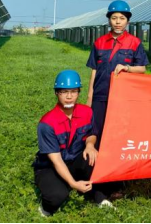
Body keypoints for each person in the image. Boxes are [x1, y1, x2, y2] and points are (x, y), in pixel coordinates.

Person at [33, 70, 113, 217]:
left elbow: (91, 134)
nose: (69, 96)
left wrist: (90, 145)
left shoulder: (86, 112)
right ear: (56, 93)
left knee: (97, 157)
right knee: (57, 196)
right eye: (64, 92)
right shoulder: (47, 123)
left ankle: (99, 197)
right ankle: (46, 209)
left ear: (78, 92)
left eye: (73, 91)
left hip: (74, 160)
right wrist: (73, 184)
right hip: (50, 166)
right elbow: (56, 160)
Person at [86, 0, 148, 146]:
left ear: (127, 21)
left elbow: (142, 69)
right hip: (100, 94)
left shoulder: (134, 42)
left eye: (122, 18)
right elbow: (94, 69)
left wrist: (128, 68)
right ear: (109, 20)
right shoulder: (99, 42)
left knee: (120, 130)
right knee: (96, 129)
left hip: (123, 96)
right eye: (114, 18)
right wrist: (90, 96)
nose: (118, 22)